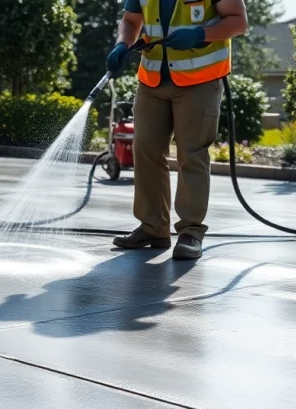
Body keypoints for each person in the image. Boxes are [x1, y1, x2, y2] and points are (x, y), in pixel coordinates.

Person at [106, 0, 247, 259]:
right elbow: (130, 20)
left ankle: (191, 232)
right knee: (145, 150)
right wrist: (122, 44)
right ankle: (153, 227)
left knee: (192, 154)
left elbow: (238, 21)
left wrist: (199, 34)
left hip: (200, 80)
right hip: (152, 79)